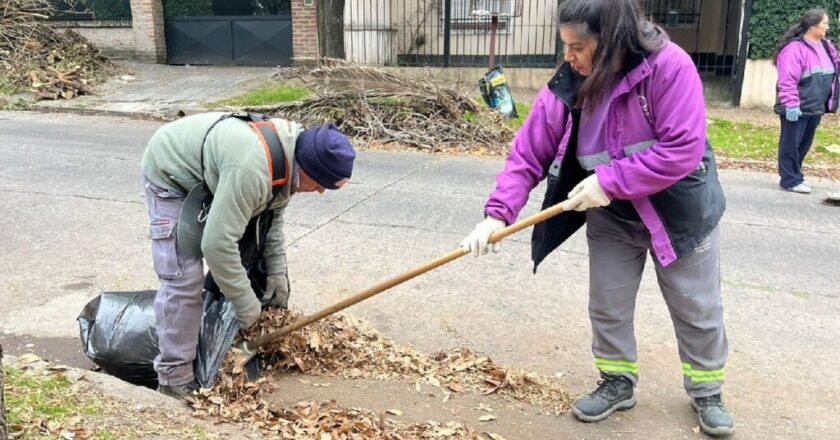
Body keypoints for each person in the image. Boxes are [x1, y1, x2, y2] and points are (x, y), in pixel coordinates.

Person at [459, 0, 733, 436]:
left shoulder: (670, 68)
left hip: (680, 210)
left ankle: (706, 390)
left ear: (611, 43)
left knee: (696, 306)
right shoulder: (572, 80)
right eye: (564, 45)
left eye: (578, 46)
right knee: (608, 305)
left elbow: (682, 147)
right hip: (612, 213)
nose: (567, 56)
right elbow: (529, 152)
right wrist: (496, 215)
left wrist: (611, 180)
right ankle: (617, 381)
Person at [140, 112, 356, 398]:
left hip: (222, 170)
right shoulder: (254, 169)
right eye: (319, 183)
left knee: (247, 262)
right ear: (307, 168)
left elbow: (271, 218)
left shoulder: (294, 154)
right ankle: (173, 379)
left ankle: (210, 339)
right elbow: (216, 246)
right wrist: (247, 307)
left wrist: (276, 274)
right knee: (184, 278)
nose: (319, 192)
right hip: (172, 173)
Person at [773, 9, 839, 194]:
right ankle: (789, 179)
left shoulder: (826, 45)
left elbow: (836, 65)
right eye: (825, 23)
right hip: (797, 106)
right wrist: (791, 104)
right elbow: (787, 79)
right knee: (790, 143)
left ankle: (795, 174)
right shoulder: (794, 49)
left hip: (816, 106)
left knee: (804, 143)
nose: (828, 26)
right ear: (813, 26)